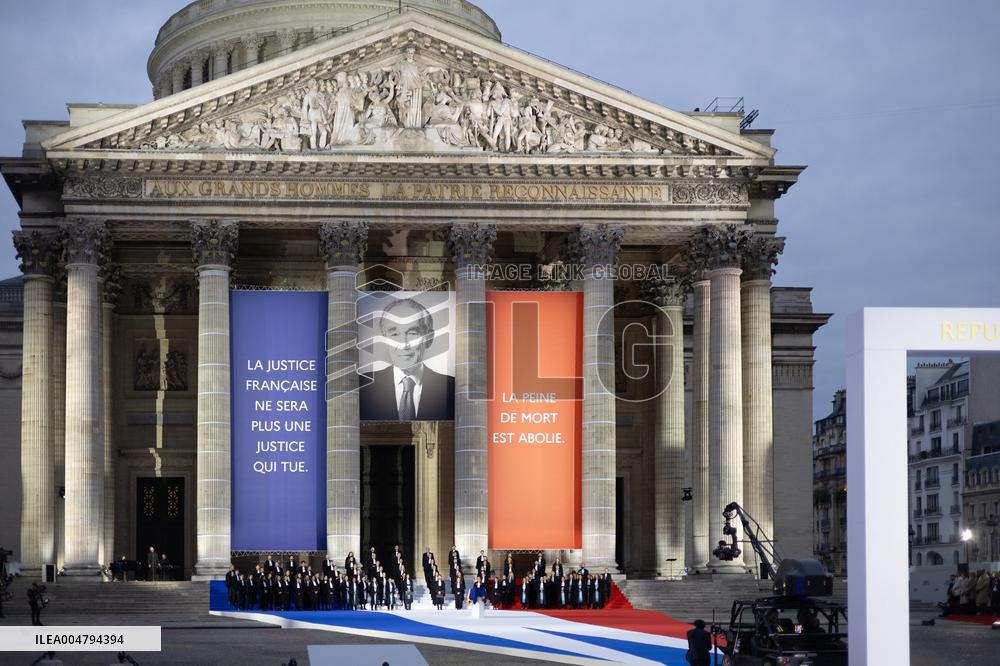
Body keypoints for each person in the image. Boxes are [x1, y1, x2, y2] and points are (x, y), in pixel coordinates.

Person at [360, 297, 455, 421]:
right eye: (394, 334)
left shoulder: (452, 389)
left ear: (429, 338)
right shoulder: (361, 387)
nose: (404, 345)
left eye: (412, 333)